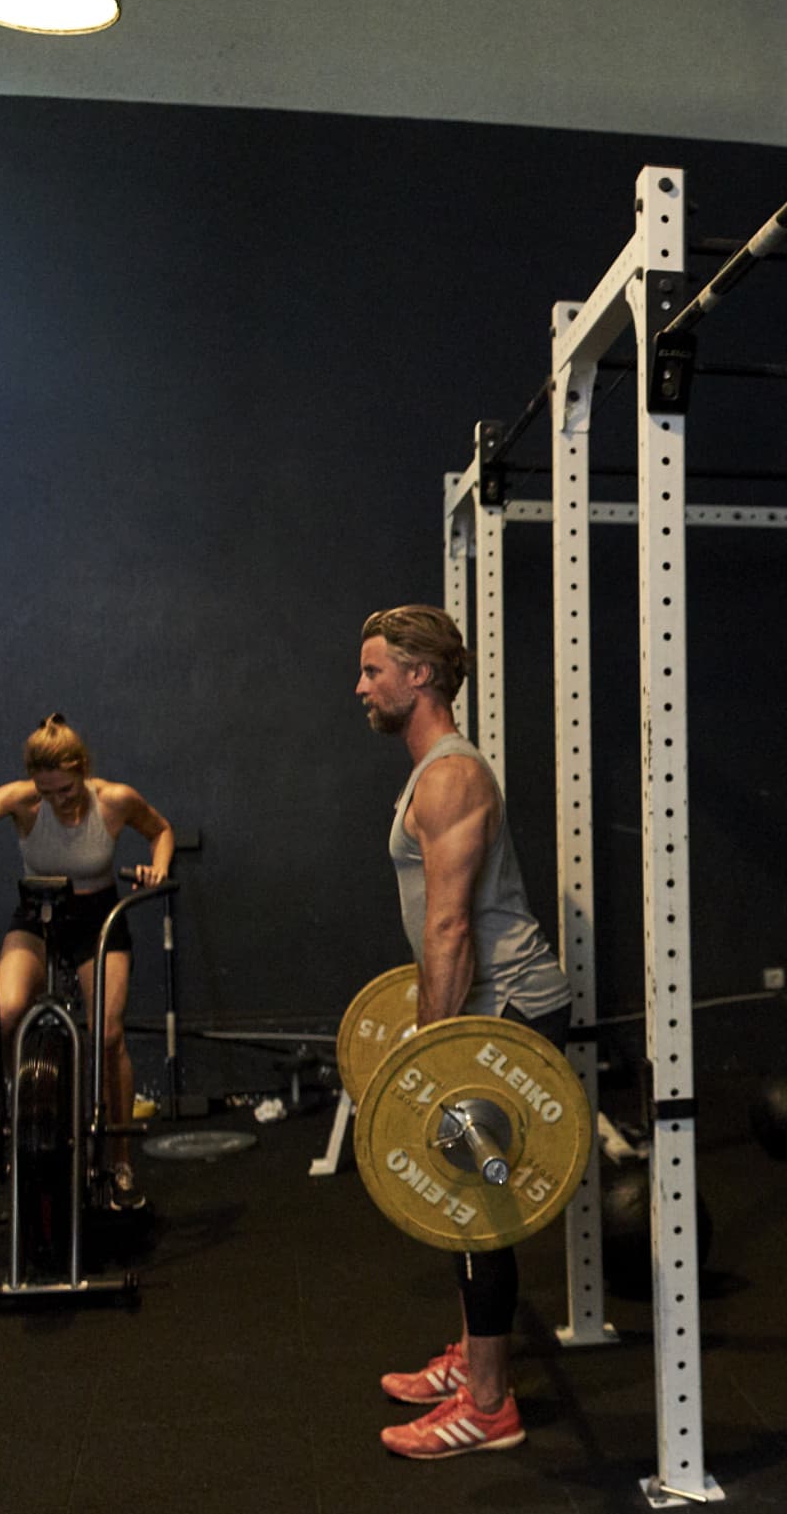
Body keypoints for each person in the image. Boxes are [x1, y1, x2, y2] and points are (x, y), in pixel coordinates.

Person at [356, 604, 575, 1462]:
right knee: (460, 1194)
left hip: (508, 1005)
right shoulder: (431, 773)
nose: (363, 687)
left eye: (375, 670)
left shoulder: (450, 776)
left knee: (478, 1200)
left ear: (420, 676)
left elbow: (450, 929)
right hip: (482, 1003)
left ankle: (488, 1405)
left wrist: (429, 1058)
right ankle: (471, 1358)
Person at [0, 714, 175, 1210]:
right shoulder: (22, 800)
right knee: (4, 1011)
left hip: (97, 921)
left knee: (106, 1036)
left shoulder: (114, 800)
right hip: (38, 918)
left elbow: (161, 830)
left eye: (66, 789)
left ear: (81, 770)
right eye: (47, 792)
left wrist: (159, 867)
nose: (58, 801)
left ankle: (121, 1159)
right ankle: (27, 1108)